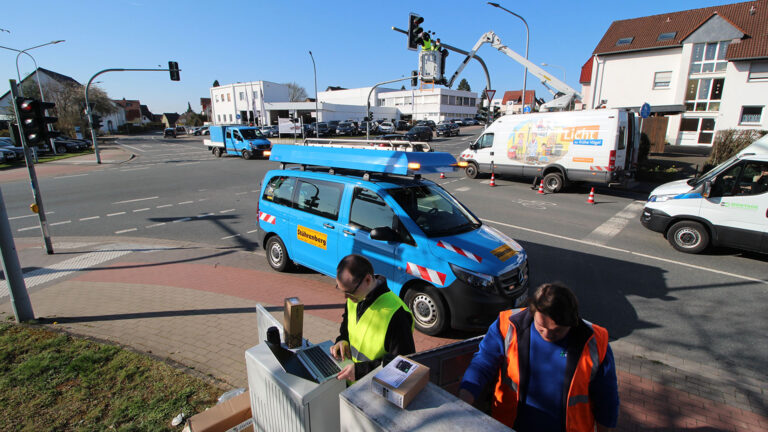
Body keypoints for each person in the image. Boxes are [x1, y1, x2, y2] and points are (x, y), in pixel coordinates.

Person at [459, 282, 619, 432]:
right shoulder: (507, 326)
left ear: (572, 322)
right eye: (541, 327)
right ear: (532, 311)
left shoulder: (594, 342)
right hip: (509, 426)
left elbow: (607, 399)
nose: (547, 334)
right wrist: (462, 404)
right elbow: (482, 365)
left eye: (557, 331)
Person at [330, 254, 415, 381]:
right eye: (341, 290)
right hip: (352, 382)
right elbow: (347, 325)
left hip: (374, 387)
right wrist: (342, 339)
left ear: (368, 280)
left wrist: (361, 371)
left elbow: (403, 363)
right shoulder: (354, 298)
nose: (346, 297)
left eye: (349, 292)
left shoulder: (397, 314)